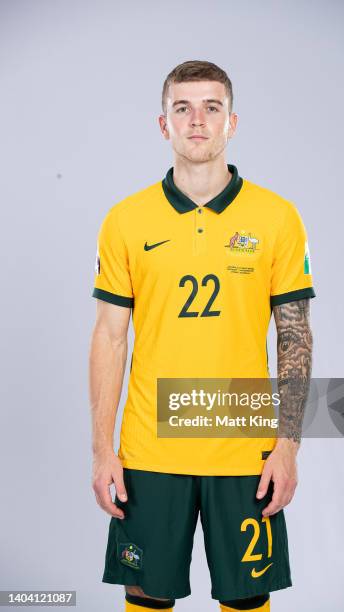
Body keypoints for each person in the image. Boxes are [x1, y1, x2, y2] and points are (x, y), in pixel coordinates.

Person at [89, 60, 316, 612]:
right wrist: (102, 450)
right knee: (146, 596)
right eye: (182, 108)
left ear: (231, 122)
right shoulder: (126, 220)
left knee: (245, 601)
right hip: (149, 446)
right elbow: (110, 338)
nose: (197, 120)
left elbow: (294, 337)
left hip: (243, 444)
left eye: (211, 107)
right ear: (163, 124)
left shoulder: (276, 217)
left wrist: (286, 447)